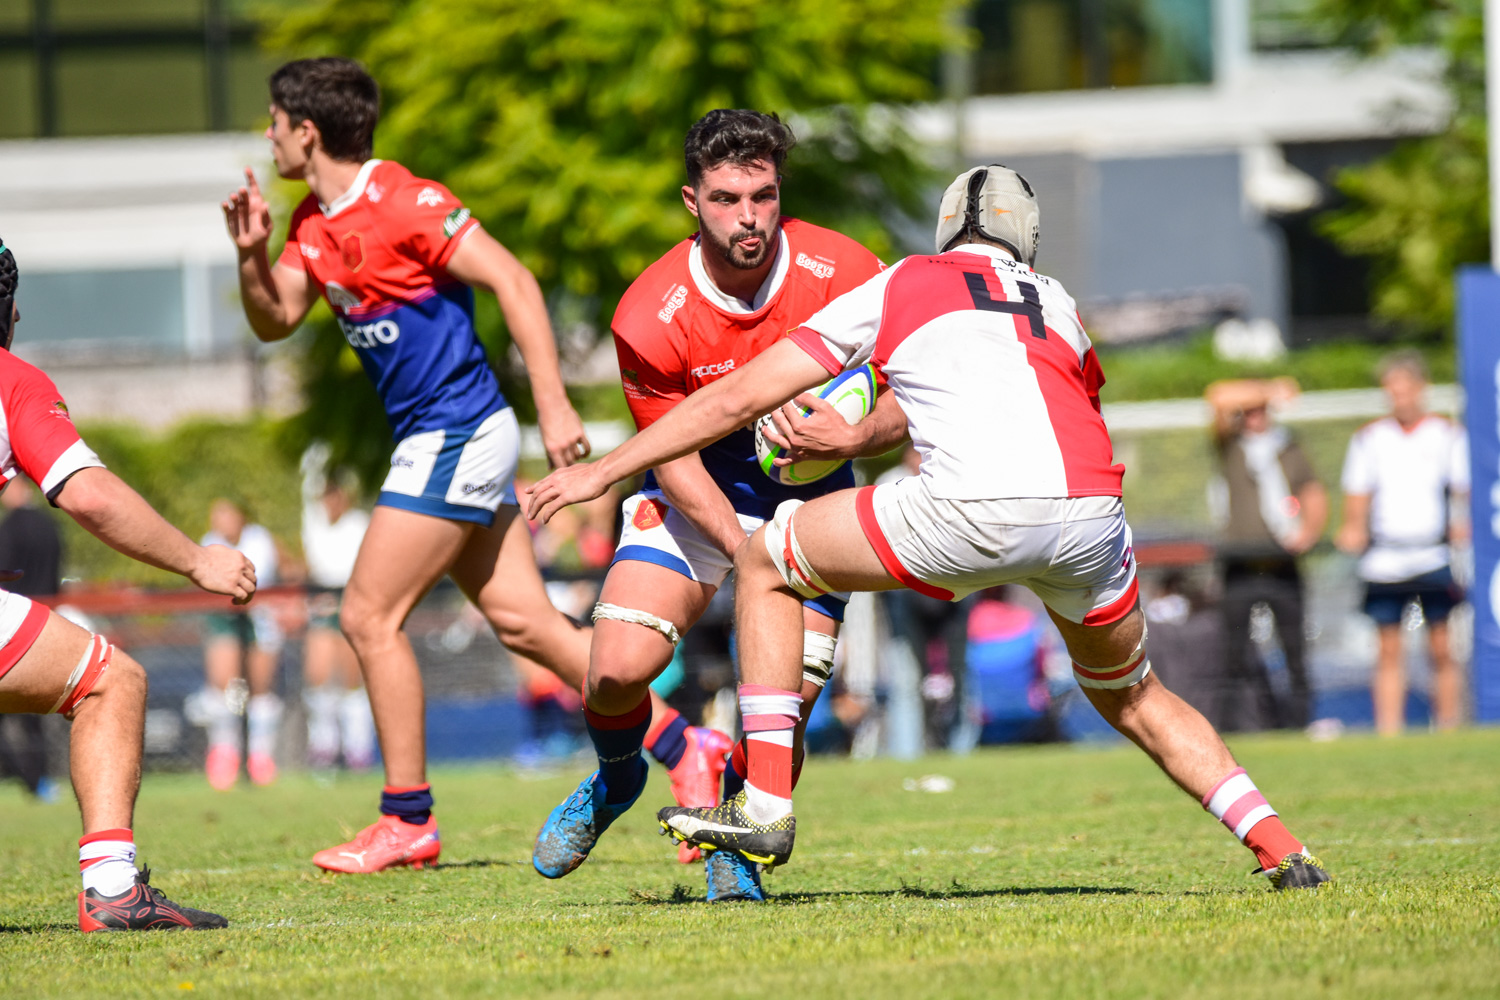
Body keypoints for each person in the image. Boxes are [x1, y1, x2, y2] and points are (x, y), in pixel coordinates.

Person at [527, 165, 1331, 893]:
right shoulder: (1058, 301)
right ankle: (1281, 846)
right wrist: (854, 436)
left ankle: (763, 805)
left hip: (968, 509)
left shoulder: (902, 280)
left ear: (947, 233)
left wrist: (602, 470)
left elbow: (739, 401)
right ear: (1028, 240)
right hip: (1089, 518)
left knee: (768, 558)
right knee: (1135, 696)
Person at [221, 58, 726, 872]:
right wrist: (251, 254)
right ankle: (686, 745)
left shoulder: (406, 201)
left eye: (275, 121)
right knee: (528, 625)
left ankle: (407, 818)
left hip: (456, 432)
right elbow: (276, 318)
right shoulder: (314, 224)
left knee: (365, 617)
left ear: (306, 131)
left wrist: (556, 408)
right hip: (439, 438)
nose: (269, 135)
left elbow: (516, 283)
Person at [529, 109, 908, 895]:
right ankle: (618, 777)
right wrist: (745, 557)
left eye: (764, 196)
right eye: (729, 199)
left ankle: (735, 848)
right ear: (691, 202)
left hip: (812, 506)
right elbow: (670, 454)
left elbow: (910, 401)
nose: (750, 218)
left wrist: (857, 435)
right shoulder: (648, 314)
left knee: (784, 715)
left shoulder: (849, 273)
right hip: (699, 493)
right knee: (615, 672)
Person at [0, 239, 257, 930]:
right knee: (112, 682)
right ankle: (112, 888)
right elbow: (90, 497)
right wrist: (197, 560)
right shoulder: (11, 379)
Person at [1336, 351, 1469, 734]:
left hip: (1434, 554)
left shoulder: (1447, 435)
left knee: (1442, 645)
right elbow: (1357, 495)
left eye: (1406, 389)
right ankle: (1389, 729)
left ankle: (1447, 724)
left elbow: (1462, 491)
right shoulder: (1370, 438)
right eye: (1392, 391)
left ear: (1421, 389)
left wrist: (1461, 527)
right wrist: (1353, 528)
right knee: (1389, 649)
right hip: (1386, 559)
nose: (1400, 398)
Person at [1205, 377, 1327, 731]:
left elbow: (1312, 489)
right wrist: (1269, 388)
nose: (1255, 417)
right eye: (1250, 411)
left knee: (1295, 653)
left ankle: (1299, 724)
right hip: (1240, 565)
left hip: (1282, 564)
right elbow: (1217, 396)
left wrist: (1308, 531)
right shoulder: (1231, 446)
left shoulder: (1287, 447)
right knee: (1233, 655)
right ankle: (1232, 727)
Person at [197, 497, 286, 789]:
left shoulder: (259, 540)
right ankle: (225, 752)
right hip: (225, 618)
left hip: (259, 619)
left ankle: (260, 755)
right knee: (226, 685)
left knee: (260, 689)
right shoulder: (208, 542)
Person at [299, 447, 375, 770]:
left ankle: (357, 749)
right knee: (317, 675)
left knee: (351, 679)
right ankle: (324, 748)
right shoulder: (315, 524)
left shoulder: (359, 523)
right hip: (321, 601)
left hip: (350, 599)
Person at [0, 477, 61, 800]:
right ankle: (41, 779)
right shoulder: (51, 526)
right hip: (46, 621)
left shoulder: (8, 528)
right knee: (35, 711)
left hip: (11, 622)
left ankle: (30, 780)